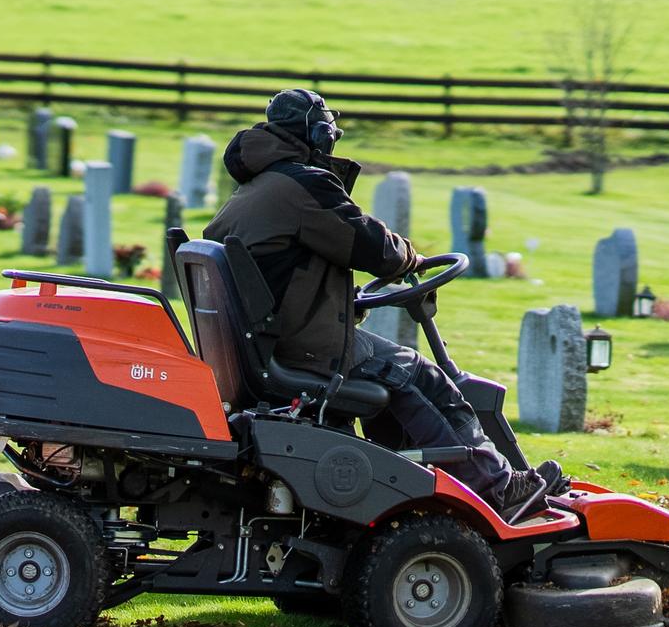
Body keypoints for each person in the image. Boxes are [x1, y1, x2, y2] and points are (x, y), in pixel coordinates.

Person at [205, 87, 563, 521]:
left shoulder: (252, 189)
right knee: (417, 375)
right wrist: (411, 258)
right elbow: (376, 247)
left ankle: (416, 495)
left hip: (271, 344)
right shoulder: (303, 184)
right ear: (318, 135)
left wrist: (346, 298)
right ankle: (496, 489)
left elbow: (286, 273)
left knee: (389, 370)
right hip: (305, 351)